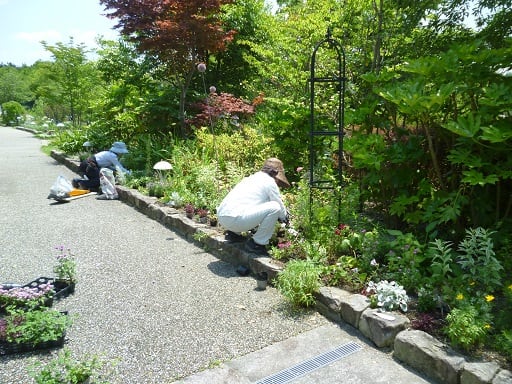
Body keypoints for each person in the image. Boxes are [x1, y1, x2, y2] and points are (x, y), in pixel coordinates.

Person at [217, 158, 290, 256]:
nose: (277, 182)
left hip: (222, 218)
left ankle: (233, 235)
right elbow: (279, 207)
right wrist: (285, 219)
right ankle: (257, 245)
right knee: (275, 207)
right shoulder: (270, 182)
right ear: (275, 174)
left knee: (252, 203)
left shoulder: (251, 178)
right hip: (236, 220)